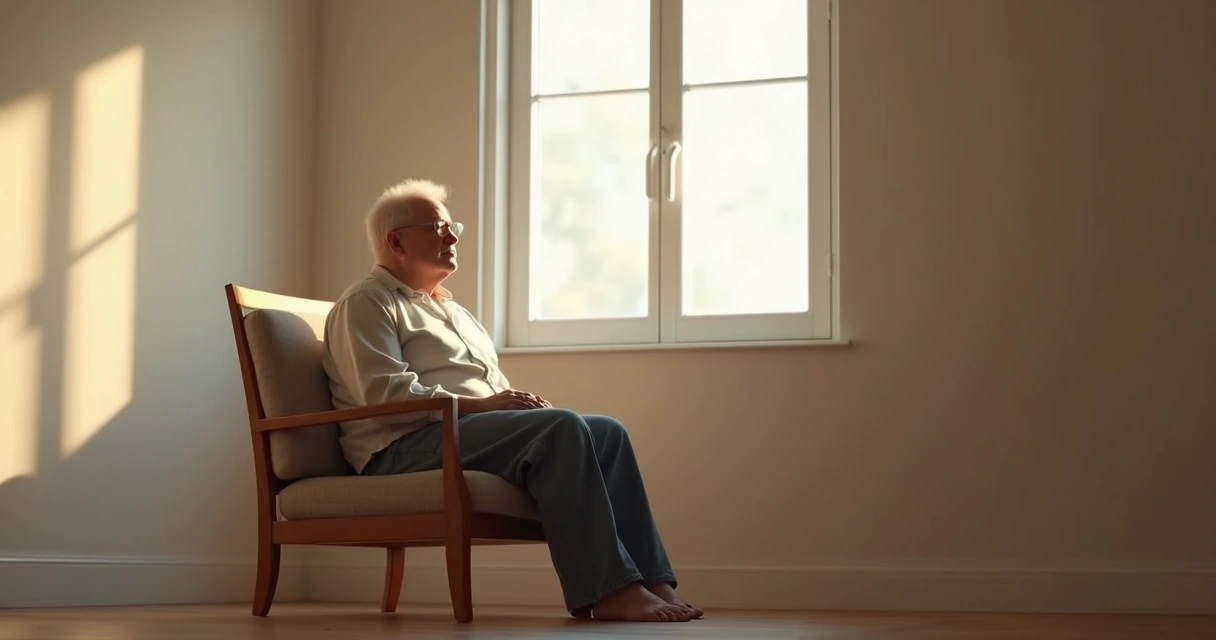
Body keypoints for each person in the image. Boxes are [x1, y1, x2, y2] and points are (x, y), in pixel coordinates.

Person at [320, 179, 702, 623]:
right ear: (395, 240)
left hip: (460, 432)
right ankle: (610, 590)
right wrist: (486, 407)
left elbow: (491, 388)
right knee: (561, 428)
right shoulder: (367, 301)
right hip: (398, 445)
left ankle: (652, 581)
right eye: (439, 227)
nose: (453, 236)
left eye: (452, 226)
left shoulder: (454, 312)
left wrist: (515, 408)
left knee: (605, 432)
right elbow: (384, 393)